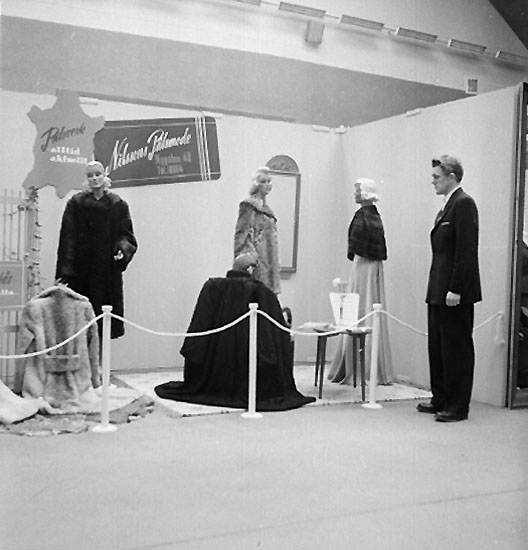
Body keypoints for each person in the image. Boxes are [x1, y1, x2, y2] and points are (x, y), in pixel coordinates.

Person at [154, 254, 315, 411]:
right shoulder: (261, 292)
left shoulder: (212, 286)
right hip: (251, 369)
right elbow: (277, 333)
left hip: (212, 374)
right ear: (251, 270)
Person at [417, 155, 481, 422]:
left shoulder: (464, 204)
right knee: (438, 347)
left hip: (454, 292)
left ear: (452, 176)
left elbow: (466, 250)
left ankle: (457, 406)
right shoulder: (447, 206)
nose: (433, 181)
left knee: (456, 349)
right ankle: (441, 398)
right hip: (438, 290)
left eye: (437, 177)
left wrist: (456, 288)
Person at [55, 160, 137, 339]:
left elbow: (126, 234)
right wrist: (65, 273)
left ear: (104, 175)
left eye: (98, 174)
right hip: (81, 273)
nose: (94, 179)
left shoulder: (117, 205)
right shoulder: (76, 204)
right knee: (81, 325)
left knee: (104, 323)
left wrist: (122, 249)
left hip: (107, 273)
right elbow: (67, 239)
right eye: (90, 175)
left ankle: (102, 357)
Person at [328, 178, 393, 385]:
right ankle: (366, 366)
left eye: (358, 190)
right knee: (369, 305)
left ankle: (356, 367)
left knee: (360, 306)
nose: (355, 193)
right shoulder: (375, 215)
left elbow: (355, 246)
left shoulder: (362, 215)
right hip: (371, 266)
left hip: (363, 266)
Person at [234, 166, 281, 294]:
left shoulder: (267, 210)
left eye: (269, 181)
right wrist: (248, 261)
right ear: (257, 184)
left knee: (269, 296)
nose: (267, 184)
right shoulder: (248, 206)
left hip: (270, 260)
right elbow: (242, 235)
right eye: (263, 181)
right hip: (257, 262)